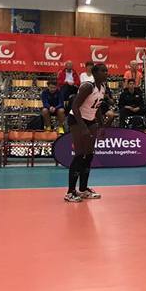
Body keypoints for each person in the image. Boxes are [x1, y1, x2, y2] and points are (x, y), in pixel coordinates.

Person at [64, 63, 109, 203]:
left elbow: (98, 107)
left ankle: (83, 189)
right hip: (77, 120)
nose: (106, 73)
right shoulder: (87, 86)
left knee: (89, 155)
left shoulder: (103, 87)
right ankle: (70, 192)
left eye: (106, 71)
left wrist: (101, 125)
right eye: (103, 71)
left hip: (90, 120)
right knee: (79, 155)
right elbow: (75, 106)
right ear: (95, 73)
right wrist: (83, 127)